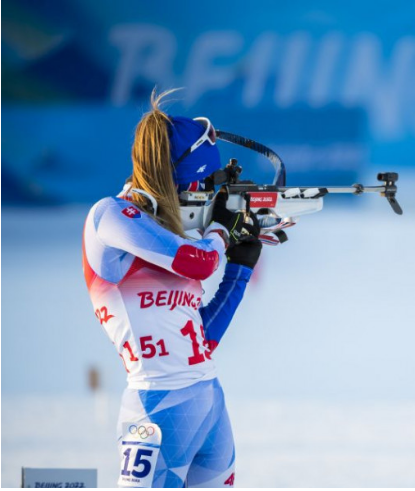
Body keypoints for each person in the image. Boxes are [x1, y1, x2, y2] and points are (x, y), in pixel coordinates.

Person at [82, 89, 262, 488]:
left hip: (208, 399)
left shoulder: (171, 238)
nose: (201, 194)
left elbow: (200, 341)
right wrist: (219, 231)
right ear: (176, 178)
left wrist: (241, 267)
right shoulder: (109, 216)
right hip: (157, 408)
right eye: (199, 184)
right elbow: (197, 261)